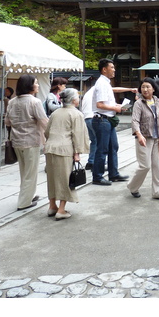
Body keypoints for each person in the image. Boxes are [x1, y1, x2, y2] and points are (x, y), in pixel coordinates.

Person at [44, 88, 90, 220]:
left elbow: (47, 132)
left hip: (51, 147)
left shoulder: (55, 113)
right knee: (65, 179)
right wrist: (77, 153)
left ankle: (52, 206)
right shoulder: (76, 114)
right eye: (77, 96)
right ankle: (61, 209)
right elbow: (78, 135)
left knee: (52, 178)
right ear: (74, 100)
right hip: (65, 149)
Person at [5, 74, 48, 210]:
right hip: (31, 140)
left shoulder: (12, 102)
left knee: (24, 171)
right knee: (31, 172)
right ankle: (24, 202)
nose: (38, 85)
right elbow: (43, 121)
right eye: (36, 83)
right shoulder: (35, 102)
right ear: (30, 86)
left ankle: (31, 194)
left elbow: (7, 121)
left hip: (16, 140)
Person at [91, 58, 136, 186]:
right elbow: (99, 104)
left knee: (113, 147)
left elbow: (106, 103)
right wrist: (116, 108)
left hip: (107, 120)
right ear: (104, 69)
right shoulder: (101, 83)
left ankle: (113, 173)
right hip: (102, 119)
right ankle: (97, 176)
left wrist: (117, 106)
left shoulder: (106, 83)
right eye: (112, 67)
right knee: (102, 149)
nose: (114, 70)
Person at [127, 77, 159, 201]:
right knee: (145, 166)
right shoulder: (138, 103)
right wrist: (139, 135)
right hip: (144, 138)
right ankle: (133, 187)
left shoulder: (156, 100)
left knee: (157, 166)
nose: (145, 89)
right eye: (143, 87)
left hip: (157, 137)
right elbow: (134, 121)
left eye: (148, 87)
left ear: (153, 89)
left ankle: (158, 192)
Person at [80, 83, 97, 170]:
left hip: (86, 118)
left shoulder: (88, 93)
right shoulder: (97, 91)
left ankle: (91, 161)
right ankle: (96, 163)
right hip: (93, 118)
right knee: (99, 141)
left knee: (94, 141)